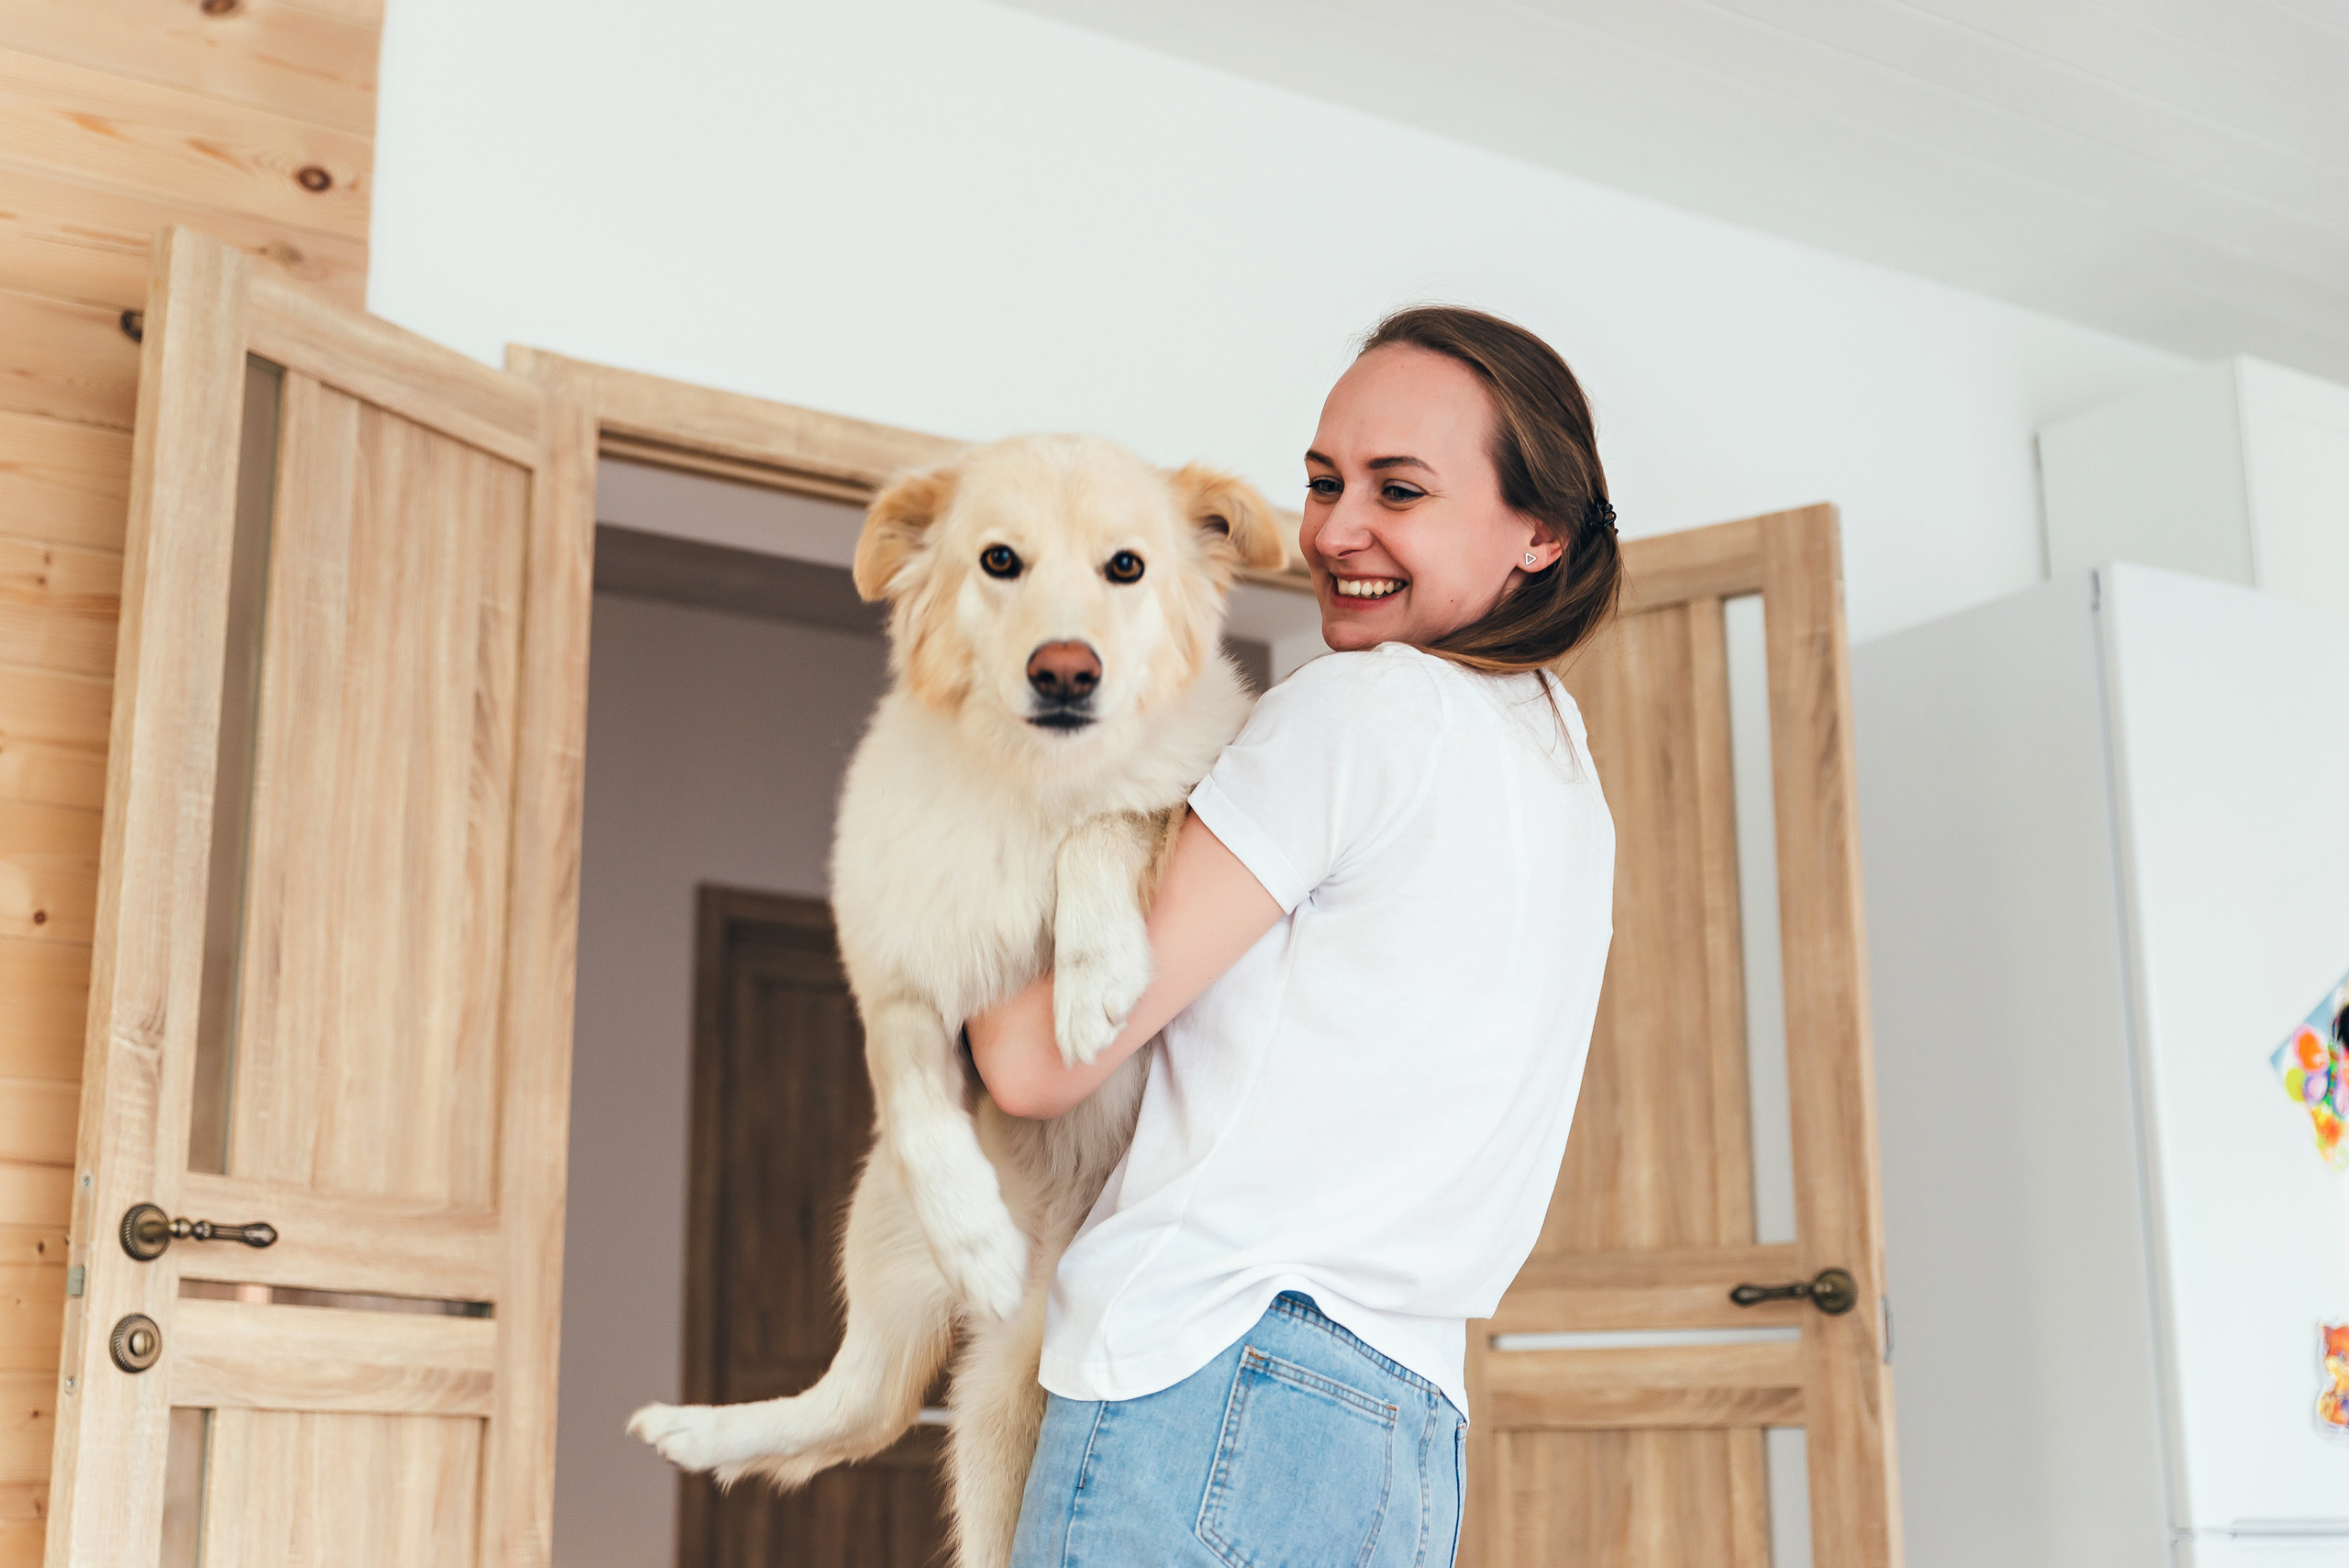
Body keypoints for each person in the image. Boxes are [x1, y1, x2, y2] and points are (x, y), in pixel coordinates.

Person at [966, 306, 1620, 1567]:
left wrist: (973, 823)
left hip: (1208, 1373)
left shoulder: (1367, 707)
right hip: (1407, 1430)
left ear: (1541, 531)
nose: (1334, 530)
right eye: (1324, 482)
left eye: (1399, 490)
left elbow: (1038, 1059)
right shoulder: (1558, 761)